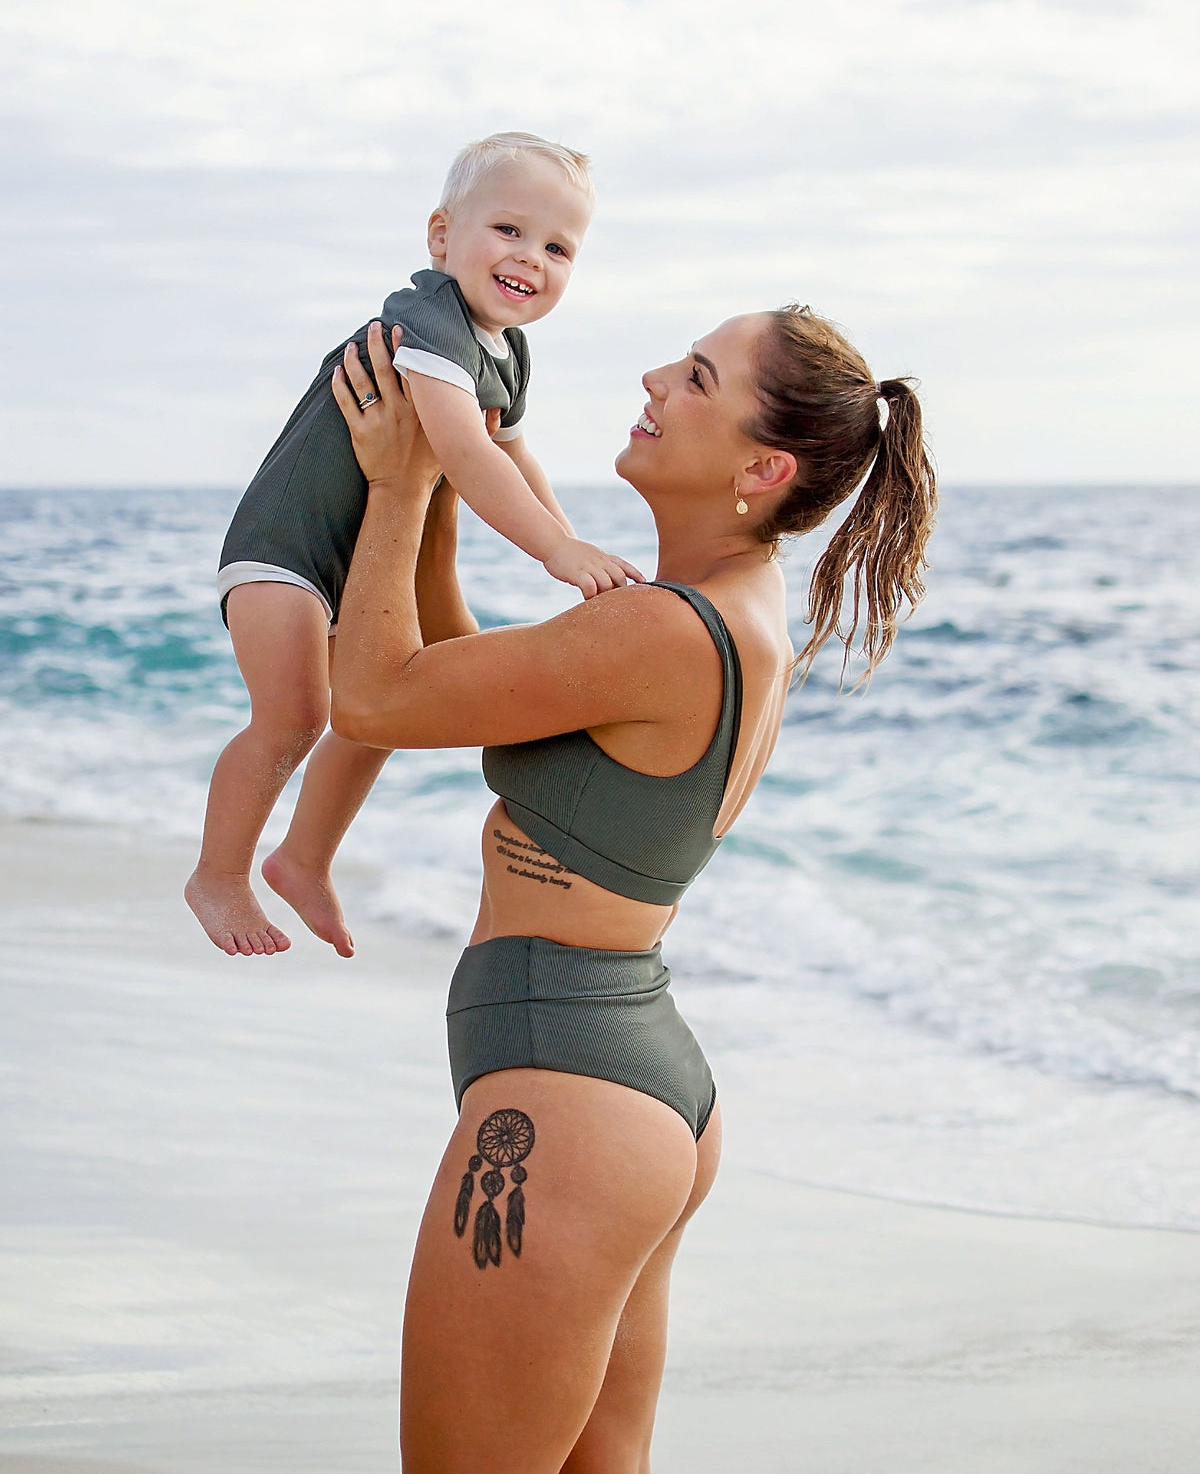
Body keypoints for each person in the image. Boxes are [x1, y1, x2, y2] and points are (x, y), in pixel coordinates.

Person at [327, 303, 937, 1474]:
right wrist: (455, 476)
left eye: (698, 375)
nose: (656, 375)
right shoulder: (723, 611)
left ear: (763, 467)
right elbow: (456, 677)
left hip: (571, 1107)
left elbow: (376, 701)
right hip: (628, 1086)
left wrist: (396, 490)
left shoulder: (668, 626)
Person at [186, 132, 641, 963]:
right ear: (441, 236)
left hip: (355, 559)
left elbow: (508, 452)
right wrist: (554, 554)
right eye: (508, 229)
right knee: (294, 715)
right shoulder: (428, 320)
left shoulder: (506, 350)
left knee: (381, 700)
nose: (530, 258)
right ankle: (218, 874)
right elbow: (462, 454)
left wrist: (569, 533)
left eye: (557, 246)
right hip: (285, 548)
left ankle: (305, 857)